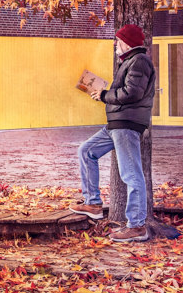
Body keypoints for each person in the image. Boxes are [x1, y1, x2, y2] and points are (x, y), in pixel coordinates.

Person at [69, 23, 156, 242]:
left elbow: (132, 93)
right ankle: (93, 204)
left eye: (118, 40)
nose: (116, 44)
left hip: (127, 124)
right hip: (117, 123)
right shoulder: (129, 61)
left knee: (131, 174)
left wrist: (104, 95)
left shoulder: (139, 60)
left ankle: (137, 226)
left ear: (126, 42)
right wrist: (103, 94)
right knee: (86, 151)